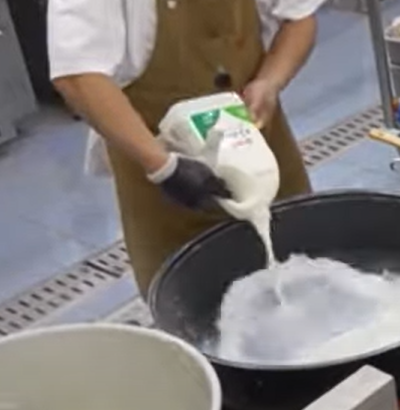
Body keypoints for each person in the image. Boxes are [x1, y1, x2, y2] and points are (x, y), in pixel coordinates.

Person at [48, 0, 325, 298]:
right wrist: (162, 166)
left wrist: (270, 81)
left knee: (304, 273)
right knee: (195, 299)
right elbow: (77, 76)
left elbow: (299, 18)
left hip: (259, 144)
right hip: (162, 164)